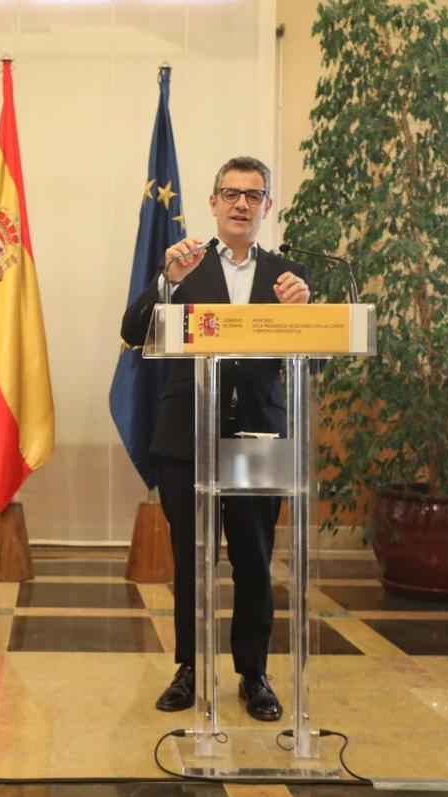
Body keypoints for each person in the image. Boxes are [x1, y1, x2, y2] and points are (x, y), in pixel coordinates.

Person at [120, 156, 310, 721]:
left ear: (267, 205)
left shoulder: (288, 277)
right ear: (213, 202)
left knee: (254, 559)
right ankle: (189, 668)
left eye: (253, 195)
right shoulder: (186, 266)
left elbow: (316, 363)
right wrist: (167, 282)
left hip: (257, 435)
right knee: (191, 559)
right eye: (231, 193)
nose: (241, 204)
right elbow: (133, 331)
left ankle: (254, 674)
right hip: (188, 436)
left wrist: (305, 312)